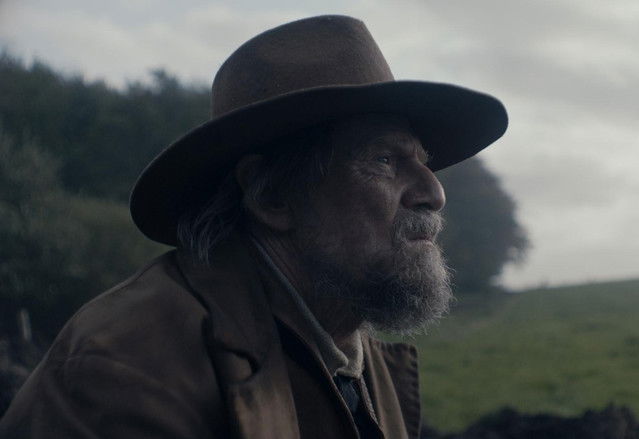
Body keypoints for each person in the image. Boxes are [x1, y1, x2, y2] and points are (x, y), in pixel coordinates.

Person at [0, 15, 507, 439]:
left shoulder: (353, 350)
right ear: (271, 198)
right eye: (384, 160)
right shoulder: (124, 371)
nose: (434, 192)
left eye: (423, 162)